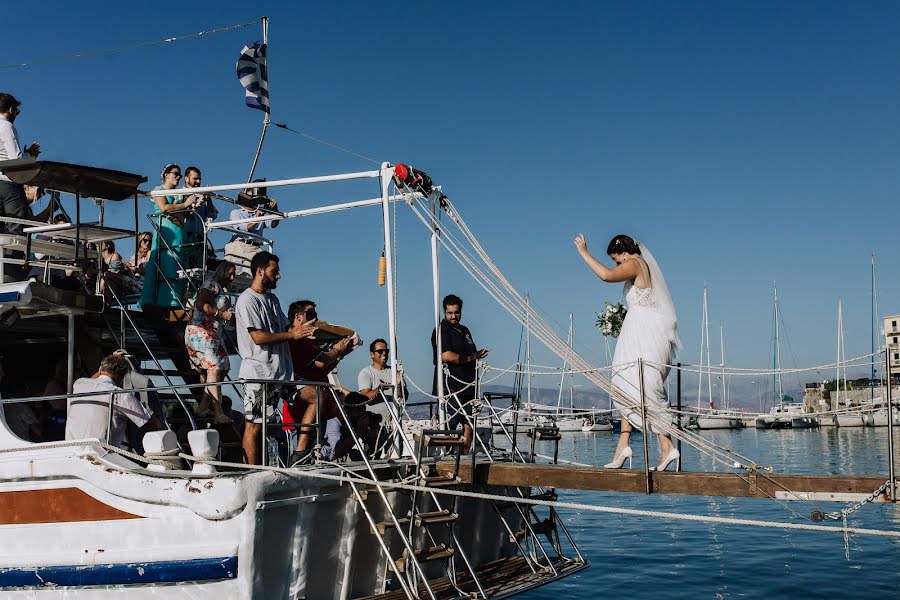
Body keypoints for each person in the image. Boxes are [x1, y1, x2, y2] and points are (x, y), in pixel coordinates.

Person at [574, 233, 680, 471]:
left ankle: (665, 446)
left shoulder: (634, 264)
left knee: (637, 385)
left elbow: (606, 276)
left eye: (616, 259)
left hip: (642, 332)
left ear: (623, 252)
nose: (616, 265)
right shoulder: (643, 266)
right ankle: (626, 446)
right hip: (641, 329)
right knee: (627, 384)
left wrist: (584, 253)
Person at [235, 251, 315, 464]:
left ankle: (299, 453)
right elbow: (258, 337)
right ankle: (251, 473)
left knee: (316, 396)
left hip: (281, 374)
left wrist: (308, 330)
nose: (278, 276)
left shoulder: (272, 299)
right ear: (260, 271)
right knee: (254, 425)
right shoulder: (247, 300)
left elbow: (284, 327)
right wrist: (292, 334)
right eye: (275, 271)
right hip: (260, 374)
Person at [282, 299, 357, 467]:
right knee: (301, 459)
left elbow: (322, 368)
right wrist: (338, 350)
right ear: (299, 317)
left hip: (315, 407)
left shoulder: (305, 341)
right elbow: (322, 362)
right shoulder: (297, 339)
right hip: (302, 408)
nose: (315, 319)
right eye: (312, 314)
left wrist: (339, 354)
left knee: (314, 454)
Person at [432, 294, 489, 452]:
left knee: (469, 425)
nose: (453, 316)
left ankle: (464, 460)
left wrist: (477, 355)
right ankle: (448, 459)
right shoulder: (441, 330)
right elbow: (446, 355)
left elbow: (471, 353)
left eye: (456, 312)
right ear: (445, 312)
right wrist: (472, 357)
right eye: (450, 313)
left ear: (461, 312)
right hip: (450, 387)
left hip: (469, 386)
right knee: (450, 424)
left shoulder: (465, 330)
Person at [65, 354, 156, 449]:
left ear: (100, 370)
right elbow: (148, 422)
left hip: (71, 451)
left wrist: (112, 358)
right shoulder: (121, 395)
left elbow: (92, 380)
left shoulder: (79, 384)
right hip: (101, 455)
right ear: (122, 377)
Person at [138, 164, 197, 309]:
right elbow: (164, 208)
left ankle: (174, 302)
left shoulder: (178, 195)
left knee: (176, 266)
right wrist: (184, 204)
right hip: (166, 233)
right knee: (166, 263)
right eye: (175, 173)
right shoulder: (158, 190)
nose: (178, 177)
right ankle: (159, 302)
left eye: (179, 174)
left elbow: (181, 216)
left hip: (178, 233)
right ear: (166, 175)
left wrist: (185, 205)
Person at [185, 260, 236, 424]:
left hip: (214, 335)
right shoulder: (211, 285)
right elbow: (201, 304)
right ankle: (218, 413)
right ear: (222, 271)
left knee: (224, 367)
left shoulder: (222, 289)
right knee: (214, 369)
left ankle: (202, 407)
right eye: (231, 273)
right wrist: (222, 314)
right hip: (201, 333)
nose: (233, 277)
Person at [0, 93, 40, 237]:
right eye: (17, 111)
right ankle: (11, 257)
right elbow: (15, 159)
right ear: (11, 110)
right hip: (7, 183)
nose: (16, 115)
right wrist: (30, 155)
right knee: (16, 227)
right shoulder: (6, 126)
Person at [224, 184, 280, 274]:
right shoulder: (236, 213)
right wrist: (257, 218)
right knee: (230, 274)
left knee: (252, 278)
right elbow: (244, 228)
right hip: (238, 246)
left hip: (254, 248)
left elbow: (273, 224)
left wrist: (274, 210)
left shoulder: (261, 214)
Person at [358, 338, 406, 418]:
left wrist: (399, 385)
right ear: (372, 354)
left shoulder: (394, 372)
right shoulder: (366, 373)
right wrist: (380, 389)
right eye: (380, 351)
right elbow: (364, 398)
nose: (384, 353)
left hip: (395, 421)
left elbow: (405, 397)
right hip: (375, 425)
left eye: (386, 351)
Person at [181, 167, 218, 269]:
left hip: (200, 238)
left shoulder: (200, 195)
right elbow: (185, 214)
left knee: (201, 269)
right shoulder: (181, 194)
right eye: (195, 179)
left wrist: (209, 198)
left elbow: (212, 214)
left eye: (199, 179)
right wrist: (198, 203)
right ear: (186, 179)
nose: (198, 181)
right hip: (187, 237)